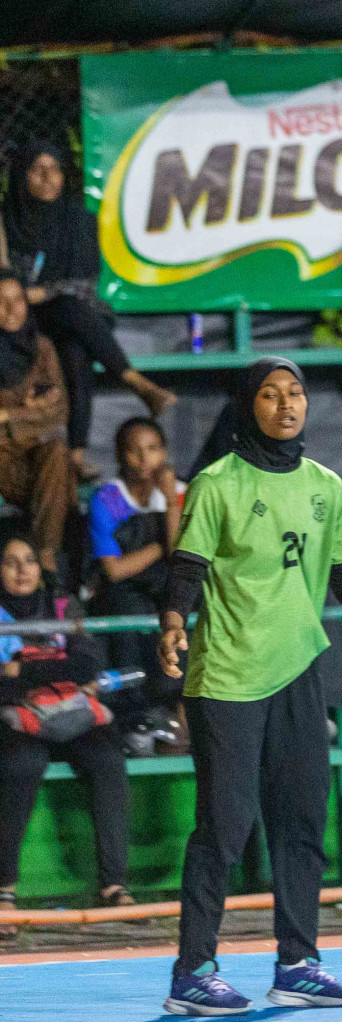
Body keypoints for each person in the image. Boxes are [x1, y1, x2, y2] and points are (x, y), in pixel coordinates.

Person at [155, 356, 342, 1015]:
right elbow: (186, 569)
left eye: (297, 393)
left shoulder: (325, 485)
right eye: (272, 394)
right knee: (225, 827)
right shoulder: (217, 483)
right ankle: (192, 972)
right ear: (247, 405)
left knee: (304, 820)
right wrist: (172, 623)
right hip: (227, 675)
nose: (287, 404)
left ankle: (299, 964)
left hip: (300, 671)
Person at [3, 139, 175, 478]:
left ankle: (77, 455)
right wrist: (27, 296)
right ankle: (136, 383)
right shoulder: (8, 218)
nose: (48, 178)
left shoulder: (77, 219)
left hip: (67, 315)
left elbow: (85, 283)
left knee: (75, 343)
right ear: (22, 176)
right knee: (72, 315)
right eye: (37, 170)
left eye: (55, 170)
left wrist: (44, 291)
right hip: (21, 318)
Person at [0, 535, 133, 935]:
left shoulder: (62, 604)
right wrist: (58, 669)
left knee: (109, 761)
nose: (22, 570)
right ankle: (4, 888)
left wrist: (23, 671)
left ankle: (113, 884)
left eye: (29, 560)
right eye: (10, 562)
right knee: (21, 765)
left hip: (71, 715)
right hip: (17, 720)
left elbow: (90, 663)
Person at [87, 417, 186, 741]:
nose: (145, 459)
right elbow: (114, 570)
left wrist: (171, 500)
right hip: (125, 590)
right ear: (119, 456)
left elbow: (181, 557)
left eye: (153, 449)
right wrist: (159, 545)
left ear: (165, 452)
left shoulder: (183, 494)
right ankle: (136, 719)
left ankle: (181, 712)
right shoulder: (108, 499)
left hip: (168, 586)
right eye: (134, 451)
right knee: (125, 614)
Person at [0, 270, 70, 574]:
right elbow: (46, 411)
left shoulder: (41, 349)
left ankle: (45, 556)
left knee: (55, 450)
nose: (12, 309)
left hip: (37, 463)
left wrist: (9, 414)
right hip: (5, 466)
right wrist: (33, 410)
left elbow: (58, 413)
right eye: (0, 302)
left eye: (18, 300)